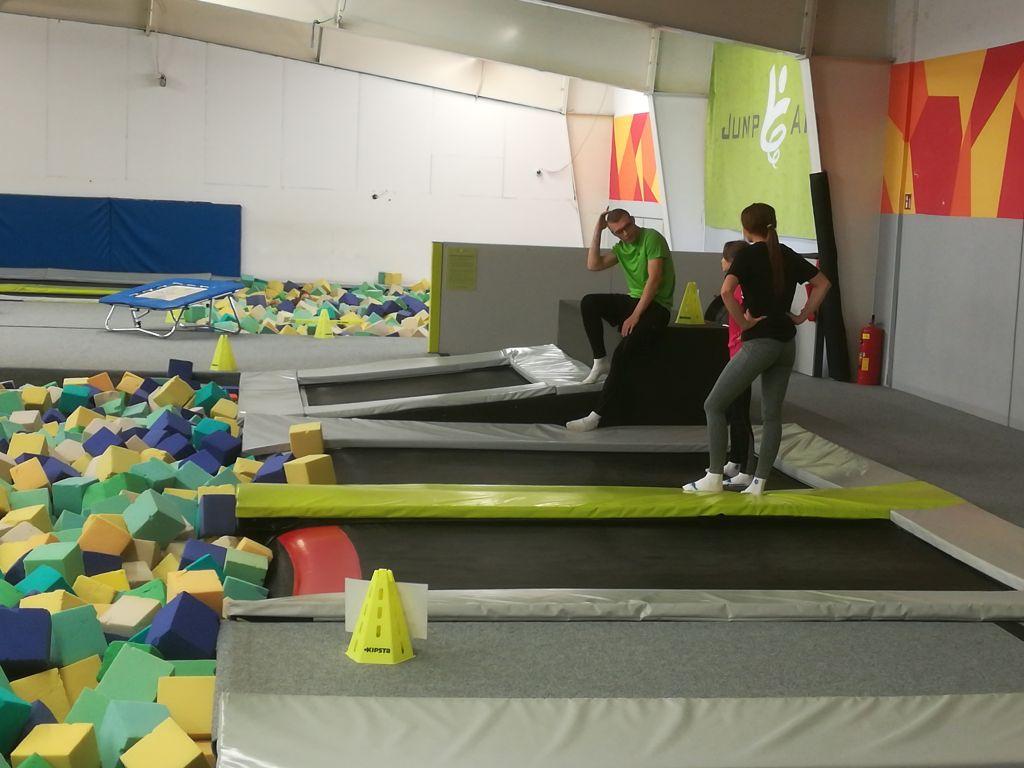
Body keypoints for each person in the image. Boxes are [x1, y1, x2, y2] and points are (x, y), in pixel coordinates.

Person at [683, 203, 830, 495]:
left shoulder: (747, 255)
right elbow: (823, 283)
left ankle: (714, 476)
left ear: (746, 229)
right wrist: (803, 314)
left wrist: (743, 323)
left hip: (760, 343)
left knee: (713, 405)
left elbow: (726, 292)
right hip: (786, 344)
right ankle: (759, 483)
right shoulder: (786, 253)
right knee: (771, 415)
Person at [566, 208, 676, 432]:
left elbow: (654, 280)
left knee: (622, 352)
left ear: (633, 221)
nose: (625, 233)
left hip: (657, 307)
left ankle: (597, 415)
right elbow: (593, 265)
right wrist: (598, 230)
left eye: (627, 227)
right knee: (589, 302)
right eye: (618, 231)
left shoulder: (652, 238)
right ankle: (600, 361)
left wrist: (635, 316)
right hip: (634, 301)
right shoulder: (621, 248)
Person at [719, 240, 756, 489]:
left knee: (741, 411)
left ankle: (746, 469)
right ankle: (735, 460)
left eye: (724, 258)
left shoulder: (743, 287)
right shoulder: (735, 286)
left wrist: (745, 330)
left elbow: (750, 314)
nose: (721, 262)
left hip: (744, 353)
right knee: (734, 408)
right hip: (735, 351)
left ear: (732, 263)